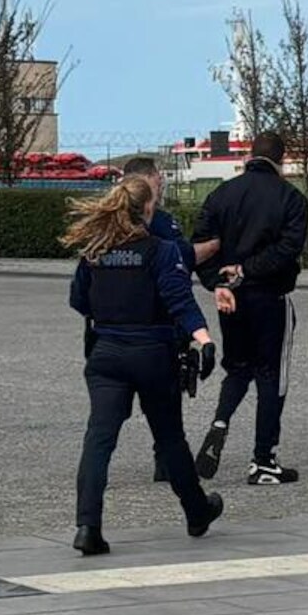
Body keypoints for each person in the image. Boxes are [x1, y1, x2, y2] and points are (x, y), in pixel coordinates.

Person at [67, 175, 223, 556]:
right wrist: (204, 340)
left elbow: (78, 300)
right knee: (169, 437)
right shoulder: (161, 251)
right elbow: (179, 301)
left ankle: (88, 526)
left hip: (106, 354)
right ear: (149, 209)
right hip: (152, 354)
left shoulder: (95, 251)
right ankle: (196, 512)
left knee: (99, 438)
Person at [189, 130, 308, 486]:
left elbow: (201, 245)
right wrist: (248, 270)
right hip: (270, 295)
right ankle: (263, 459)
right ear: (281, 160)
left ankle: (220, 421)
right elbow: (287, 249)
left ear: (249, 156)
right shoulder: (291, 199)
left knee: (238, 368)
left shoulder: (221, 194)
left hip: (231, 299)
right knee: (271, 376)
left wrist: (218, 282)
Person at [122, 156, 219, 483]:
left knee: (110, 411)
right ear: (145, 180)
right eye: (157, 177)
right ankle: (167, 460)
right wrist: (217, 244)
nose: (161, 182)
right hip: (162, 324)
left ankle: (94, 471)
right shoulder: (161, 222)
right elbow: (184, 257)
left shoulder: (108, 222)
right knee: (166, 398)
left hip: (119, 329)